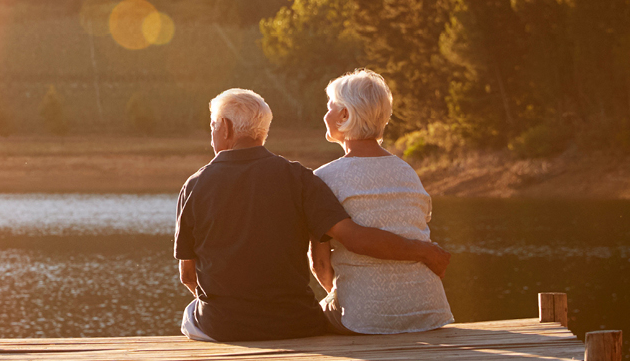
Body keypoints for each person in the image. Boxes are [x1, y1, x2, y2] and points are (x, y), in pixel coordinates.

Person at [176, 88, 450, 342]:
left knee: (190, 314)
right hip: (296, 323)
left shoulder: (194, 185)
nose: (212, 134)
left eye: (212, 126)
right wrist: (423, 251)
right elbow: (350, 237)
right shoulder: (300, 178)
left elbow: (188, 276)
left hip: (223, 326)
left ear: (225, 128)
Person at [311, 69, 454, 335]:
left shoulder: (323, 178)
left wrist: (348, 299)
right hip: (429, 312)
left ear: (345, 115)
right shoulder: (407, 172)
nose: (325, 115)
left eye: (330, 107)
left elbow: (319, 266)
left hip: (364, 319)